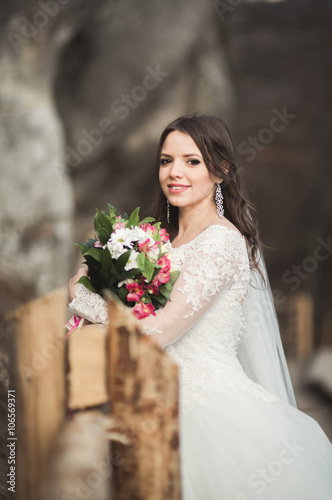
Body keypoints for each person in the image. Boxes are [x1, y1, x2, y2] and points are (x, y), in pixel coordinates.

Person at [68, 113, 332, 499]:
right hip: (145, 400)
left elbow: (158, 331)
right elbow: (136, 315)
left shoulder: (221, 243)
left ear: (221, 170)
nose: (175, 172)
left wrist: (82, 296)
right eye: (166, 160)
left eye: (192, 161)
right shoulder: (157, 244)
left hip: (206, 414)